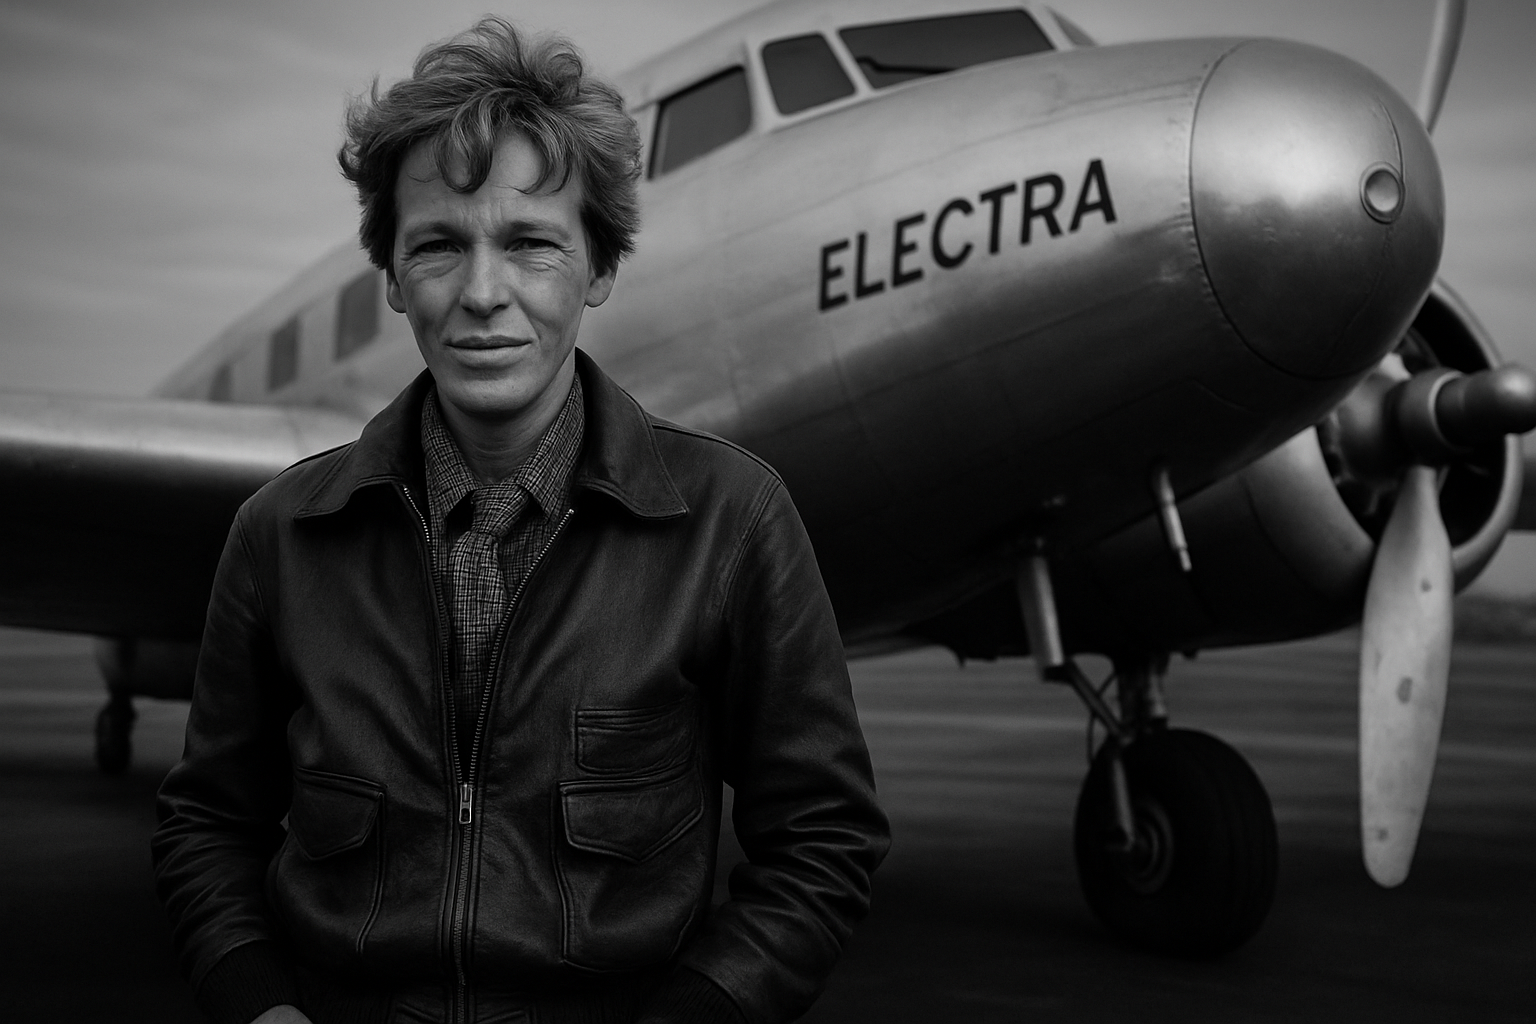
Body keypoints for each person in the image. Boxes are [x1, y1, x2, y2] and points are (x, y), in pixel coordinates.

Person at [152, 17, 889, 1024]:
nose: (482, 294)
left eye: (532, 243)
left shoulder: (737, 518)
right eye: (438, 246)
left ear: (600, 268)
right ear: (393, 279)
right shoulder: (277, 532)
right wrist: (260, 1007)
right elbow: (205, 823)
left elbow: (824, 838)